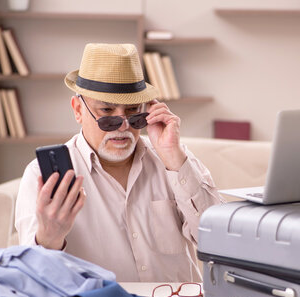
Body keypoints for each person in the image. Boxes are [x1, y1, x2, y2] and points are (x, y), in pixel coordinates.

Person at [15, 43, 223, 282]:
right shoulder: (40, 176)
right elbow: (33, 278)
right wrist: (49, 238)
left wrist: (175, 159)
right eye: (107, 112)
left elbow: (219, 244)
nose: (123, 127)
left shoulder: (175, 160)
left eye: (134, 113)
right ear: (78, 110)